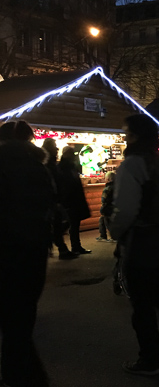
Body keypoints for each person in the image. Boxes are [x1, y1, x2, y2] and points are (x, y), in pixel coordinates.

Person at [109, 114, 159, 376]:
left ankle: (149, 357)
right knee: (157, 289)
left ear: (136, 136)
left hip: (142, 238)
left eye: (128, 133)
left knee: (141, 302)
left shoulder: (132, 165)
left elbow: (126, 208)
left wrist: (115, 231)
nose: (125, 138)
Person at [0, 120, 55, 387]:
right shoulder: (39, 168)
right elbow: (51, 206)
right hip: (34, 250)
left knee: (11, 316)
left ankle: (21, 372)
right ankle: (19, 371)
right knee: (22, 314)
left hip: (6, 249)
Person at [41, 137, 78, 260]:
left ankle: (57, 247)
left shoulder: (52, 163)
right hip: (53, 199)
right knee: (58, 224)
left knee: (59, 223)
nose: (57, 149)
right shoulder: (49, 164)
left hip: (55, 199)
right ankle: (60, 248)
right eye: (54, 146)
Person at [56, 146, 92, 255]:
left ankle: (75, 246)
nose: (73, 156)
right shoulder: (64, 167)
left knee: (74, 224)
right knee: (70, 224)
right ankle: (69, 246)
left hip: (72, 200)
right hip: (70, 200)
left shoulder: (68, 167)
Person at [96, 171, 116, 242]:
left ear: (108, 179)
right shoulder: (117, 186)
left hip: (107, 208)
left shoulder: (107, 188)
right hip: (114, 207)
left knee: (107, 222)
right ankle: (103, 235)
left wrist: (102, 207)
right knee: (102, 220)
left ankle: (113, 237)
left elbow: (104, 199)